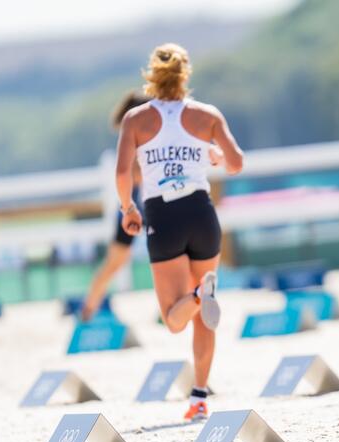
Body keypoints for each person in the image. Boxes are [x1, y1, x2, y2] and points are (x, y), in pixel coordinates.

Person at [116, 43, 243, 420]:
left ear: (151, 75)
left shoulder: (136, 120)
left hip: (163, 216)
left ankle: (198, 293)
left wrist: (127, 208)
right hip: (201, 214)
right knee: (205, 314)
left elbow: (123, 173)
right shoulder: (207, 116)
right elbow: (236, 164)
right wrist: (214, 155)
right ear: (185, 74)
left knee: (174, 319)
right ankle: (199, 397)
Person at [79, 91, 151, 321]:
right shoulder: (139, 138)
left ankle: (88, 310)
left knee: (114, 264)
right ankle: (88, 310)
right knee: (115, 263)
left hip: (135, 202)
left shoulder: (134, 136)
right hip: (136, 203)